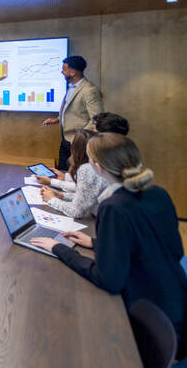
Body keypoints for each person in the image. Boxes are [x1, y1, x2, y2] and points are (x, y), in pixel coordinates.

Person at [31, 133, 187, 358]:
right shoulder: (158, 193)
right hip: (176, 303)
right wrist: (96, 242)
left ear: (96, 166)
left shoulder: (113, 207)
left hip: (151, 326)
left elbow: (109, 279)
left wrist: (59, 249)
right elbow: (166, 248)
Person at [42, 56, 104, 171]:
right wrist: (57, 119)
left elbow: (96, 118)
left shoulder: (89, 90)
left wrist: (81, 138)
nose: (62, 72)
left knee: (75, 174)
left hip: (78, 142)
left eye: (64, 69)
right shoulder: (71, 87)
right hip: (66, 139)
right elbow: (74, 111)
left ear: (72, 72)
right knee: (63, 171)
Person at [38, 130, 108, 218]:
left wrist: (52, 199)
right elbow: (87, 196)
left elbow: (76, 212)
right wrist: (62, 195)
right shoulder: (103, 164)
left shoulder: (87, 169)